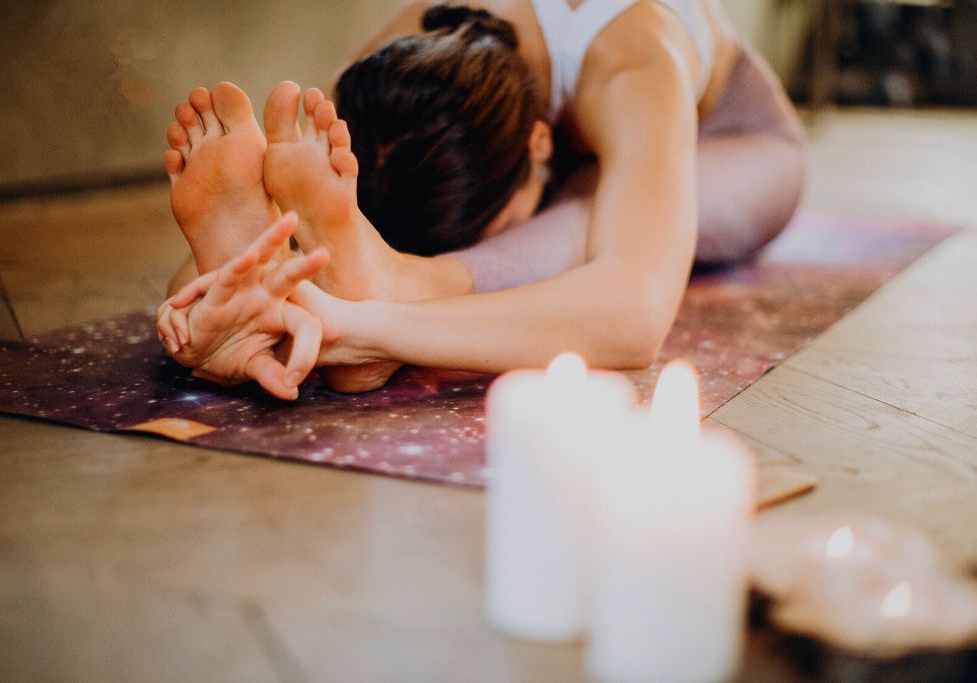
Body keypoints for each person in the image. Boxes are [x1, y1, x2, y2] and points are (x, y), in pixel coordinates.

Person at [158, 0, 805, 398]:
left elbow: (634, 312)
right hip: (575, 151)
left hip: (739, 145)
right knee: (345, 192)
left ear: (541, 142)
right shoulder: (426, 38)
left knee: (592, 208)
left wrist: (364, 330)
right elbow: (298, 159)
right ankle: (351, 268)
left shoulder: (636, 65)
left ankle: (404, 280)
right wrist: (231, 281)